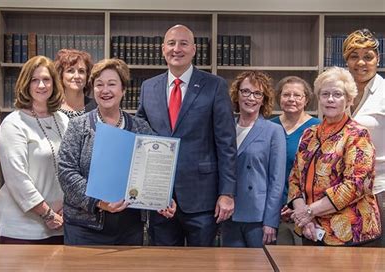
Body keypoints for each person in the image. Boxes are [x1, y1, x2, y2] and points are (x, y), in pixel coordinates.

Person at [136, 24, 237, 246]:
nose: (176, 49)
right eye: (171, 43)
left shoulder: (215, 86)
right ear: (163, 49)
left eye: (183, 43)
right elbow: (141, 139)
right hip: (160, 197)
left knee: (202, 265)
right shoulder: (148, 87)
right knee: (163, 264)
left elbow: (227, 143)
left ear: (193, 49)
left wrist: (227, 193)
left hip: (202, 198)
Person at [58, 58, 176, 245]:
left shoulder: (140, 128)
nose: (105, 90)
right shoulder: (78, 126)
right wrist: (98, 202)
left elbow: (154, 171)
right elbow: (66, 172)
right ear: (93, 89)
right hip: (84, 228)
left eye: (112, 84)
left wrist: (164, 199)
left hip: (129, 229)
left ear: (123, 90)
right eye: (99, 85)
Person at [288, 67, 381, 246]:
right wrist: (305, 217)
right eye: (325, 94)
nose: (330, 99)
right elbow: (294, 178)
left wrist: (308, 211)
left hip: (350, 234)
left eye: (337, 94)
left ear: (349, 100)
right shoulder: (309, 134)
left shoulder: (357, 135)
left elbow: (354, 186)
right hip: (311, 229)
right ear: (319, 98)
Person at [0, 55, 68, 244]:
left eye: (46, 79)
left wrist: (69, 207)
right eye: (35, 80)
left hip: (61, 224)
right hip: (22, 227)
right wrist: (47, 214)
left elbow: (72, 167)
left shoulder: (63, 120)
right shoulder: (14, 123)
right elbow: (17, 178)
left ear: (54, 83)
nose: (41, 85)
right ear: (25, 84)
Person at [221, 71, 286, 248]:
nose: (251, 98)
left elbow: (277, 181)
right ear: (237, 94)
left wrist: (271, 221)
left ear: (264, 99)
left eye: (257, 93)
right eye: (246, 92)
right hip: (228, 213)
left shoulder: (273, 130)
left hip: (258, 217)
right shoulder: (225, 126)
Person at [343, 29, 385, 247]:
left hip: (380, 188)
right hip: (346, 190)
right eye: (354, 56)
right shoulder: (340, 92)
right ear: (346, 61)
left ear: (378, 59)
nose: (361, 62)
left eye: (368, 56)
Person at [270, 76, 320, 245]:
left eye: (297, 95)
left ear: (306, 99)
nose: (291, 99)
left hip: (307, 213)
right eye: (286, 95)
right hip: (271, 211)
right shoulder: (268, 127)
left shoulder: (317, 128)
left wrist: (298, 207)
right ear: (279, 98)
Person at [54, 49, 97, 119]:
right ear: (61, 75)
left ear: (87, 76)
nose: (77, 76)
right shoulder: (51, 109)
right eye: (70, 71)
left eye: (81, 71)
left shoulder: (97, 108)